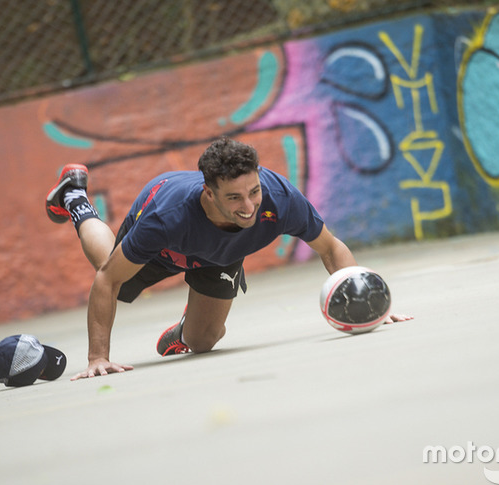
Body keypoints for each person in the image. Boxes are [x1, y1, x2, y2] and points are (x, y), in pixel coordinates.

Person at [45, 137, 413, 380]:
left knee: (203, 342)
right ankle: (76, 198)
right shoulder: (166, 217)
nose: (250, 206)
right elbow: (107, 280)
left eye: (254, 191)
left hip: (221, 255)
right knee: (111, 265)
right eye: (235, 198)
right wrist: (98, 357)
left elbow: (331, 248)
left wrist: (366, 299)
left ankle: (181, 330)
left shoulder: (279, 199)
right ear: (209, 193)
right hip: (168, 246)